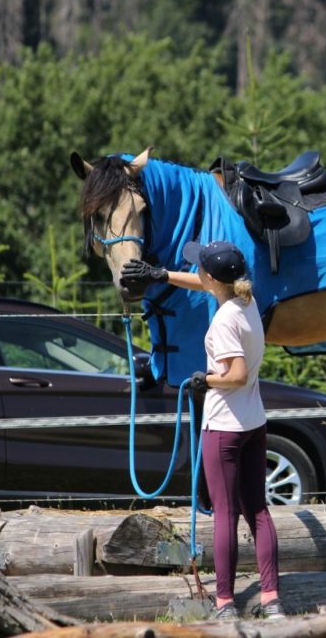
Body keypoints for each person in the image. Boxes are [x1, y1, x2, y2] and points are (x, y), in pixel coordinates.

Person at [120, 242, 285, 621]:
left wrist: (206, 381)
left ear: (212, 278)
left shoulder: (225, 319)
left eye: (202, 270)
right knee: (257, 510)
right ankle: (272, 597)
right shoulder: (247, 302)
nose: (200, 275)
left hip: (224, 427)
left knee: (225, 514)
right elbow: (207, 284)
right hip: (254, 423)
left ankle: (225, 602)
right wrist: (162, 276)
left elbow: (237, 375)